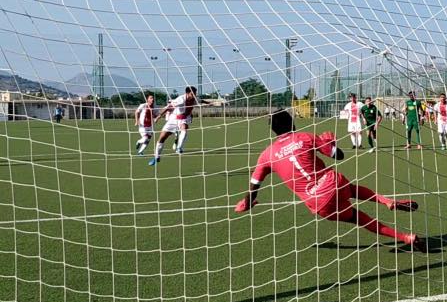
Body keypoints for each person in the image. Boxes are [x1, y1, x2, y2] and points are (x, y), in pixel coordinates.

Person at [234, 109, 426, 252]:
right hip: (332, 181)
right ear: (291, 123)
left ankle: (405, 237)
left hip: (318, 201)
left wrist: (248, 202)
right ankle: (386, 201)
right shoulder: (305, 137)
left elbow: (254, 185)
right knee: (353, 189)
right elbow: (338, 155)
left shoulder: (266, 155)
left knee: (359, 218)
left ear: (274, 130)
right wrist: (330, 143)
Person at [149, 86, 204, 166]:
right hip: (174, 119)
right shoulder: (181, 99)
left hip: (184, 119)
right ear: (187, 93)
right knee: (162, 137)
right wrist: (158, 117)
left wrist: (211, 103)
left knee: (184, 128)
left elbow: (201, 100)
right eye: (193, 94)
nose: (194, 95)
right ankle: (156, 157)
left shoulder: (194, 99)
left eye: (195, 93)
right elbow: (169, 107)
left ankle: (179, 148)